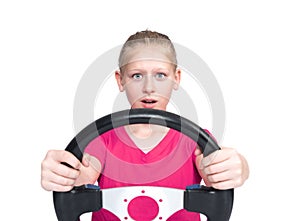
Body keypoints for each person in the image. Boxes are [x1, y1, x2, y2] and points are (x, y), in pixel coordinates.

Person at [41, 30, 249, 220]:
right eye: (137, 76)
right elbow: (81, 174)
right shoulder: (103, 139)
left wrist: (238, 167)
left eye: (161, 75)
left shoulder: (194, 140)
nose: (149, 88)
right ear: (120, 80)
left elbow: (217, 172)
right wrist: (62, 173)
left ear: (176, 79)